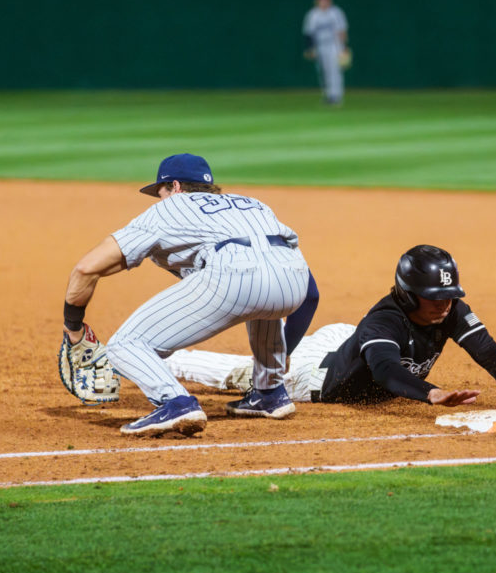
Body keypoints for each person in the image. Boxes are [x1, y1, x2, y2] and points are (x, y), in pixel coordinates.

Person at [61, 153, 317, 437]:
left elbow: (86, 268)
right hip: (294, 282)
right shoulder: (253, 205)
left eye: (160, 192)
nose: (160, 200)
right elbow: (311, 294)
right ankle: (270, 392)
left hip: (233, 277)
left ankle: (175, 403)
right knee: (264, 293)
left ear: (176, 186)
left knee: (125, 344)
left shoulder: (169, 208)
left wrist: (73, 326)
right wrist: (285, 352)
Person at [166, 245, 496, 412]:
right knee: (247, 375)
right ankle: (165, 361)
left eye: (449, 296)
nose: (444, 304)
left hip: (347, 339)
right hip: (314, 375)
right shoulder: (384, 319)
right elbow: (386, 372)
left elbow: (487, 349)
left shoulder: (449, 309)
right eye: (433, 296)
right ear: (407, 294)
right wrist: (431, 392)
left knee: (366, 342)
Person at [302, 0, 349, 106]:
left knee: (334, 71)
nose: (323, 1)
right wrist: (310, 48)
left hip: (334, 46)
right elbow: (309, 33)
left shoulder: (336, 12)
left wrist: (343, 47)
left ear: (330, 0)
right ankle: (329, 95)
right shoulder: (313, 14)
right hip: (320, 46)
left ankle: (336, 96)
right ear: (317, 1)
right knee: (324, 72)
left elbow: (342, 31)